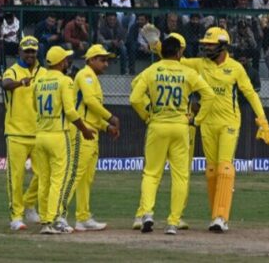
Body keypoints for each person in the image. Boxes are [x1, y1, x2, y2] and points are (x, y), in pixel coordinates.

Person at [174, 27, 269, 232]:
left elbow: (251, 94)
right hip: (207, 122)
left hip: (229, 122)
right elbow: (175, 61)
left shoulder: (236, 68)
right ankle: (215, 217)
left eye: (211, 45)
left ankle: (221, 217)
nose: (206, 48)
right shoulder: (200, 64)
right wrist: (157, 45)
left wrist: (262, 120)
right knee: (211, 170)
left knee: (225, 168)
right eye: (205, 44)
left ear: (222, 46)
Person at [130, 36, 215, 235]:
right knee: (180, 176)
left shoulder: (151, 71)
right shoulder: (188, 72)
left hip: (157, 125)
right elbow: (209, 95)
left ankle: (147, 214)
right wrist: (197, 119)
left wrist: (146, 115)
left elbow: (134, 98)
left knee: (151, 173)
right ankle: (173, 222)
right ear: (178, 53)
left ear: (162, 51)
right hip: (180, 127)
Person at [32, 46, 95, 235]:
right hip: (59, 135)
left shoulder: (39, 81)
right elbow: (70, 111)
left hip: (40, 135)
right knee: (59, 180)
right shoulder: (65, 81)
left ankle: (45, 220)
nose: (68, 62)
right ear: (60, 63)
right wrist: (84, 129)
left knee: (44, 180)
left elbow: (35, 107)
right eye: (66, 59)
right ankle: (54, 219)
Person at [61, 45, 120, 232]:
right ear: (91, 60)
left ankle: (83, 217)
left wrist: (106, 126)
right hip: (81, 131)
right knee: (75, 174)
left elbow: (91, 112)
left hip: (91, 131)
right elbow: (89, 102)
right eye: (102, 60)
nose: (106, 64)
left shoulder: (93, 78)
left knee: (86, 178)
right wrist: (111, 117)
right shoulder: (86, 75)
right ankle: (58, 215)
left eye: (106, 60)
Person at [0, 36, 43, 231]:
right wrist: (20, 82)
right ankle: (16, 217)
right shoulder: (13, 70)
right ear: (20, 52)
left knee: (45, 174)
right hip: (16, 133)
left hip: (39, 132)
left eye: (33, 51)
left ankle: (29, 203)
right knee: (15, 178)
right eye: (26, 51)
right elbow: (5, 84)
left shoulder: (44, 72)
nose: (30, 55)